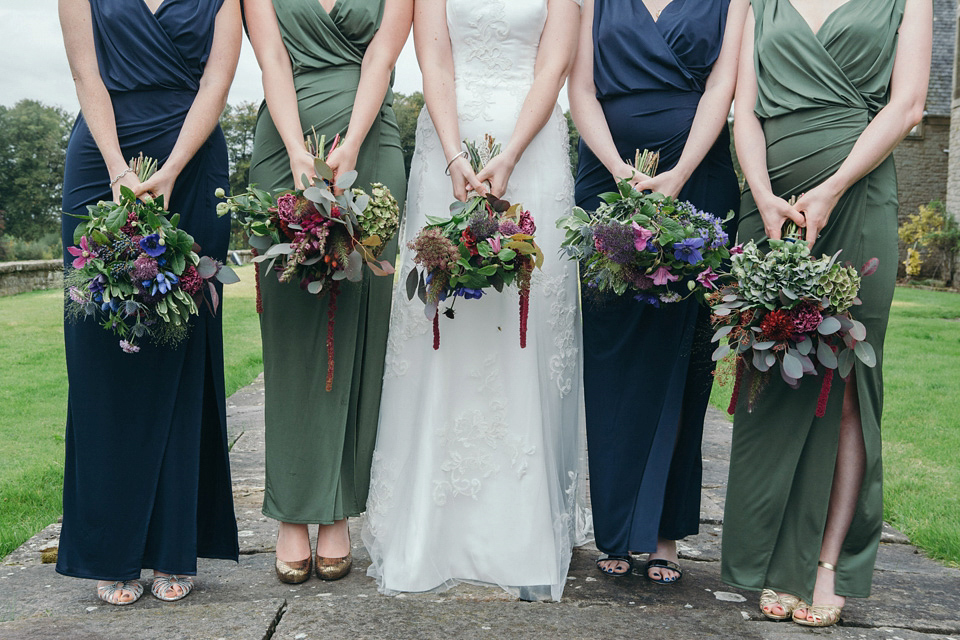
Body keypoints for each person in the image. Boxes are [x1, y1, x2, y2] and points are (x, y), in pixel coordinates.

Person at [362, 0, 589, 602]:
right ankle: (434, 531)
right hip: (449, 148)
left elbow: (554, 66)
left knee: (526, 326)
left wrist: (510, 152)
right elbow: (434, 57)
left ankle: (521, 532)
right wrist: (457, 154)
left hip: (531, 148)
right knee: (447, 325)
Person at [721, 0, 931, 627]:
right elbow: (746, 112)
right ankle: (764, 561)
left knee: (845, 384)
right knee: (772, 375)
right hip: (773, 203)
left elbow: (909, 106)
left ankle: (824, 565)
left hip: (858, 192)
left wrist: (834, 185)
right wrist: (761, 194)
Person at [56, 0, 242, 605]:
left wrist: (169, 170)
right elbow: (88, 75)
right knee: (101, 357)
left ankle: (173, 546)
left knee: (181, 348)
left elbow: (218, 79)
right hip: (102, 161)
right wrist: (118, 171)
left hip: (190, 163)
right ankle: (110, 548)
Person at [569, 0, 746, 581]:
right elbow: (582, 90)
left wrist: (678, 175)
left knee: (682, 354)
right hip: (606, 175)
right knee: (611, 354)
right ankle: (615, 530)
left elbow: (724, 85)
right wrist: (622, 173)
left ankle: (667, 534)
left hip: (699, 178)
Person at [243, 0, 411, 583]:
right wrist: (296, 150)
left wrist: (353, 145)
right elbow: (271, 58)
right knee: (292, 332)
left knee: (361, 318)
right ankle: (292, 511)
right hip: (283, 146)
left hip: (369, 144)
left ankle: (338, 506)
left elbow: (382, 57)